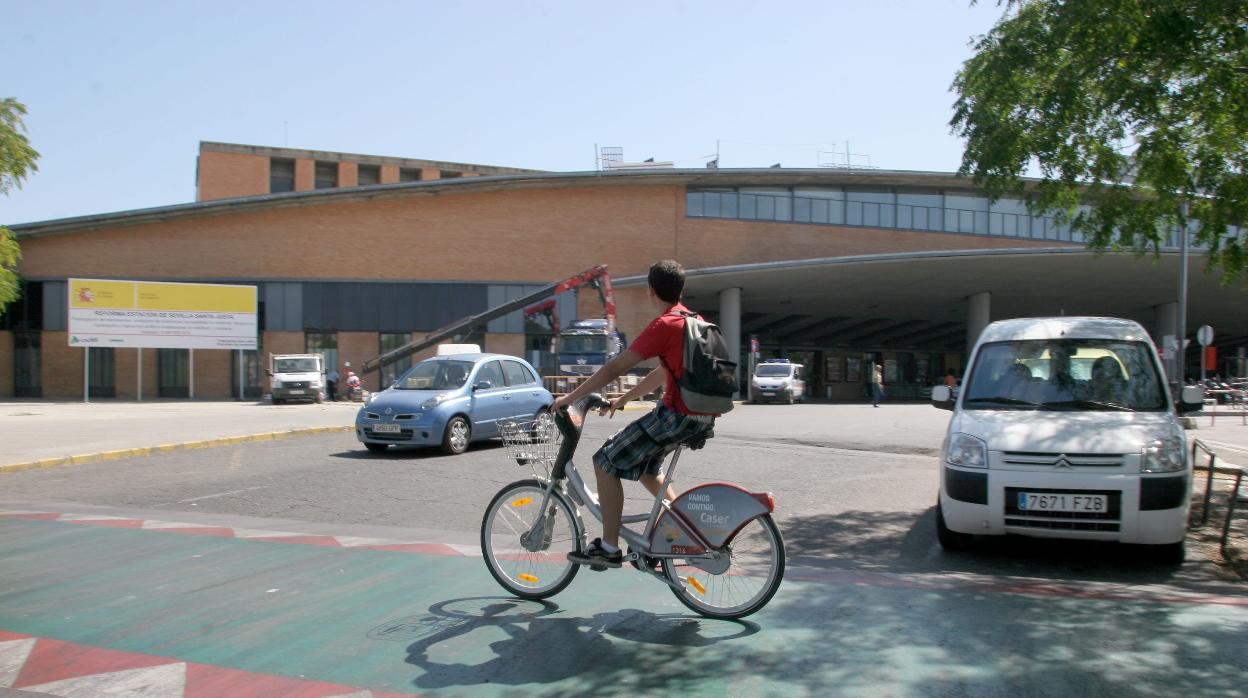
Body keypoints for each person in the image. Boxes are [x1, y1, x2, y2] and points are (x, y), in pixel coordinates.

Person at [552, 260, 719, 570]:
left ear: (650, 292)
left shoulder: (665, 324)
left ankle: (609, 547)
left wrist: (570, 397)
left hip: (675, 416)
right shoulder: (694, 320)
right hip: (699, 417)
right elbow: (664, 372)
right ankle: (682, 529)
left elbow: (615, 367)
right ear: (679, 290)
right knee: (646, 469)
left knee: (605, 460)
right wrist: (625, 398)